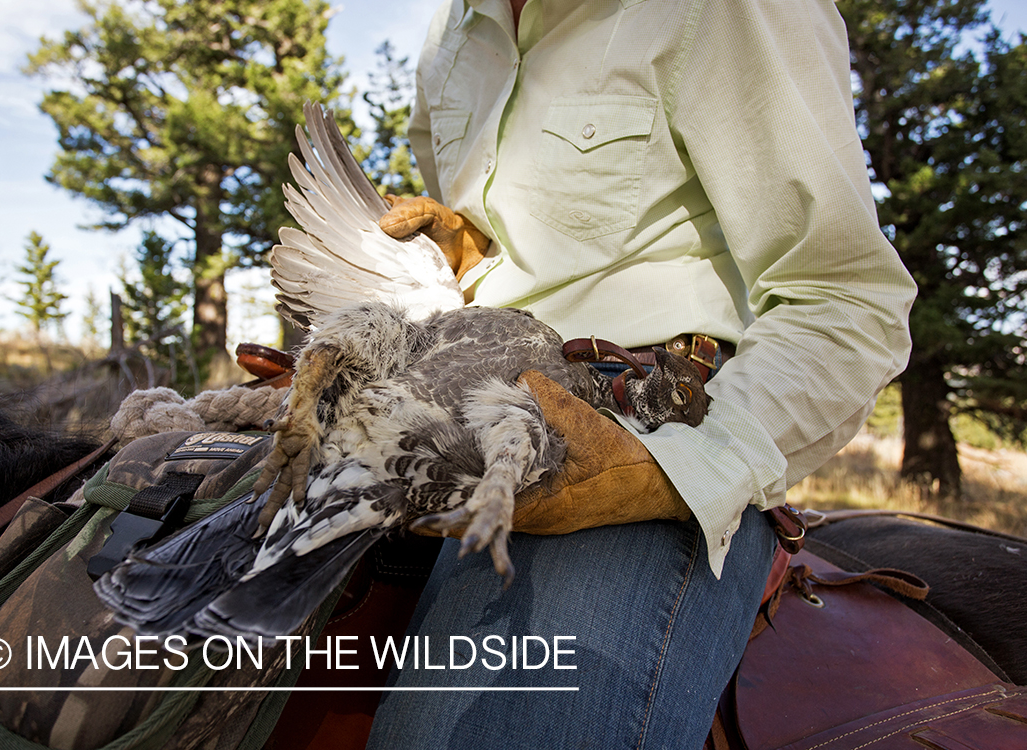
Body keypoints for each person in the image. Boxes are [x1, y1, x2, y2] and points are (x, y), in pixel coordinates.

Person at [365, 0, 917, 747]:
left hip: (651, 426)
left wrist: (668, 471)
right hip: (455, 392)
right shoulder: (454, 28)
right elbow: (515, 233)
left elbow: (846, 299)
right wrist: (469, 258)